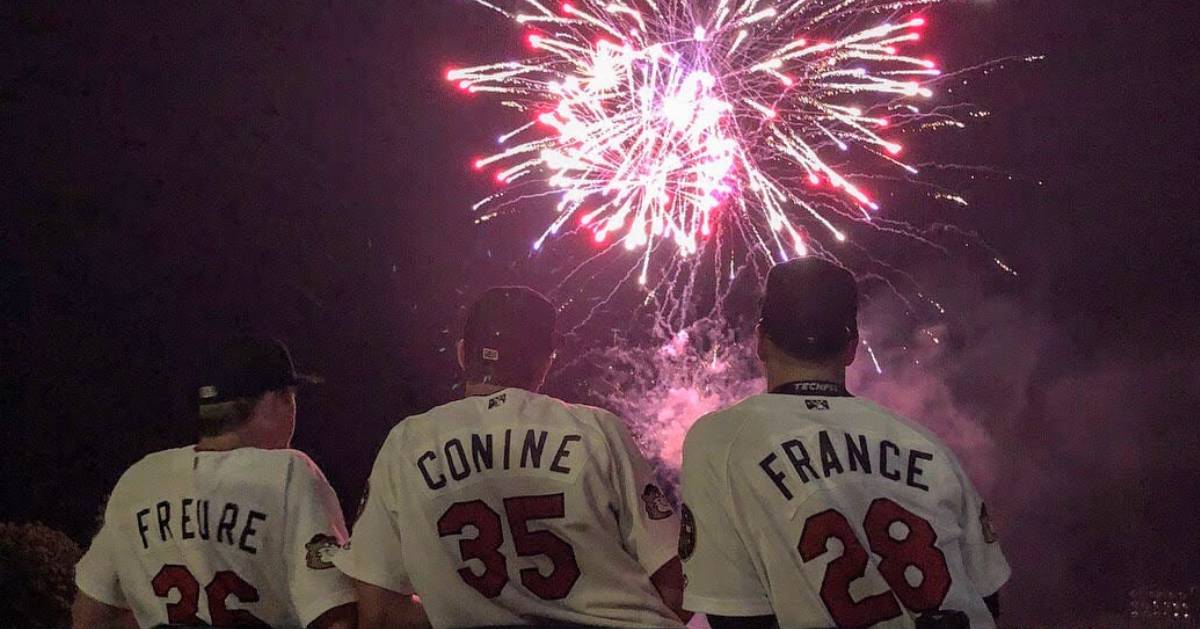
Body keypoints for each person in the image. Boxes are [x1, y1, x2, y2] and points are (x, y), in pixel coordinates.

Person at [678, 258, 1010, 629]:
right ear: (851, 346)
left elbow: (735, 617)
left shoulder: (720, 441)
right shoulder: (927, 446)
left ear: (761, 341)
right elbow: (987, 595)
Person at [335, 286, 688, 628]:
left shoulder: (406, 444)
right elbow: (679, 585)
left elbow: (378, 612)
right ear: (544, 363)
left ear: (461, 353)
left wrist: (460, 614)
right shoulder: (596, 428)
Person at [72, 337, 357, 629]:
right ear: (275, 399)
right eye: (290, 396)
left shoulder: (138, 480)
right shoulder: (289, 473)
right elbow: (336, 618)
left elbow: (90, 613)